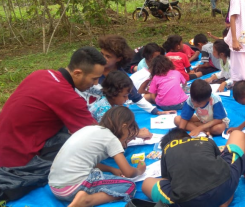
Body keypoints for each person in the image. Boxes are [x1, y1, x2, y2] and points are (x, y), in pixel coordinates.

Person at [0, 47, 105, 201]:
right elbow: (98, 136)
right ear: (77, 73)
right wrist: (132, 132)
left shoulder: (41, 74)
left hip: (6, 145)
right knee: (80, 149)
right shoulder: (68, 98)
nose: (95, 84)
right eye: (94, 79)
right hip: (18, 165)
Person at [48, 106, 145, 206]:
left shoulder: (90, 129)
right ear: (124, 127)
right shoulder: (111, 138)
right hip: (73, 187)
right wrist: (139, 170)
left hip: (55, 187)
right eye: (128, 137)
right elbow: (128, 172)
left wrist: (111, 169)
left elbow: (88, 161)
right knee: (129, 186)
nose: (127, 141)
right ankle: (87, 200)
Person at [141, 128, 245, 206]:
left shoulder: (167, 150)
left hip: (187, 201)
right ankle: (224, 199)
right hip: (225, 186)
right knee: (238, 134)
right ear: (189, 138)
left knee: (146, 183)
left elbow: (167, 180)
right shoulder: (205, 140)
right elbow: (219, 160)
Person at [79, 35, 158, 115]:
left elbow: (135, 96)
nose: (102, 58)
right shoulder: (91, 69)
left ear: (119, 58)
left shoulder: (121, 77)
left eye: (108, 56)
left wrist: (155, 111)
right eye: (102, 54)